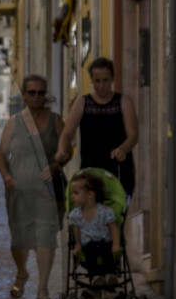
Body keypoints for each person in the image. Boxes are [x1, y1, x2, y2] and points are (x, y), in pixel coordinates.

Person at [0, 74, 66, 299]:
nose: (36, 97)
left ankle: (42, 289)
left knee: (46, 234)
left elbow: (66, 151)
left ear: (45, 95)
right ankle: (21, 272)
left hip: (48, 188)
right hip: (18, 190)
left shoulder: (55, 121)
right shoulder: (14, 122)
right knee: (20, 239)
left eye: (40, 92)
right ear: (24, 95)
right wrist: (6, 176)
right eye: (32, 93)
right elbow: (1, 155)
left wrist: (57, 165)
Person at [55, 56, 138, 197]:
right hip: (90, 173)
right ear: (91, 80)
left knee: (116, 209)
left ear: (112, 79)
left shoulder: (124, 102)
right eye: (97, 81)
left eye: (105, 80)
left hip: (118, 170)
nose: (101, 85)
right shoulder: (82, 103)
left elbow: (133, 136)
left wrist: (123, 149)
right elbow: (67, 133)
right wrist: (62, 149)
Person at [67, 170, 122, 290]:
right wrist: (77, 245)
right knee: (89, 256)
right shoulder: (75, 215)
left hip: (105, 243)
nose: (72, 197)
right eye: (72, 193)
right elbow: (76, 232)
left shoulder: (105, 211)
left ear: (90, 195)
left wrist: (116, 245)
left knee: (108, 254)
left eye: (76, 193)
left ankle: (110, 275)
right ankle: (95, 278)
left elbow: (114, 229)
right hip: (87, 246)